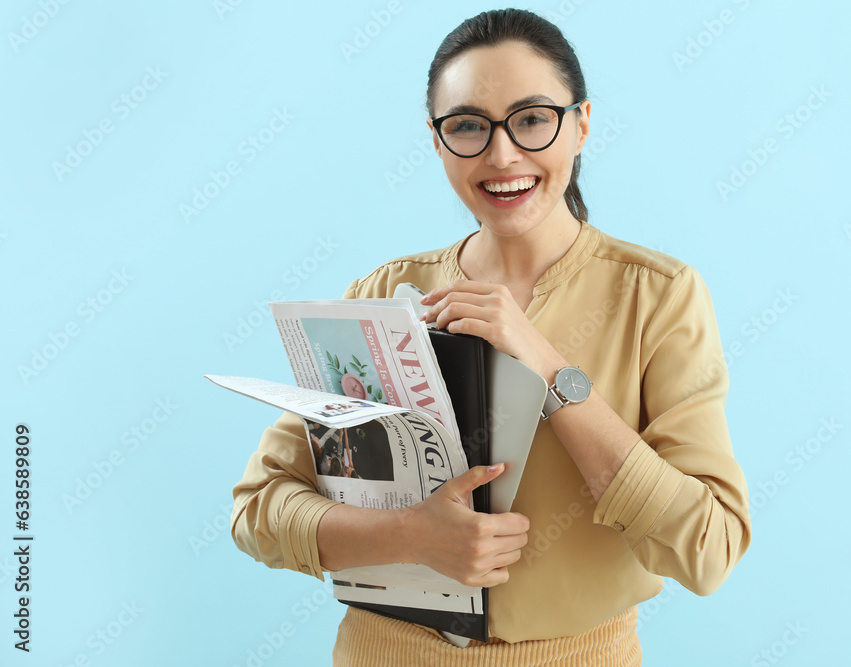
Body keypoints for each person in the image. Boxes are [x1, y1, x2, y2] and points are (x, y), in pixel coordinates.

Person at [230, 8, 752, 665]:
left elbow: (709, 549)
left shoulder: (659, 296)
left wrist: (548, 368)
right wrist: (410, 535)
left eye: (533, 119)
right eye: (469, 126)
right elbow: (259, 509)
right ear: (436, 139)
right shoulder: (380, 294)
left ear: (581, 123)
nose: (502, 154)